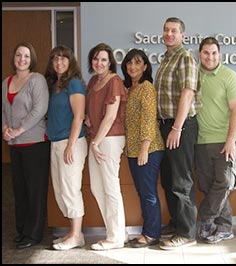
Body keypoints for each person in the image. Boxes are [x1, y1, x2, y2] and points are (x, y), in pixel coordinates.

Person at [154, 17, 201, 250]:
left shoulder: (185, 58)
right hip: (166, 125)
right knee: (169, 177)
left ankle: (187, 233)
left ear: (183, 35)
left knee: (181, 180)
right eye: (166, 30)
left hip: (181, 126)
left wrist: (176, 128)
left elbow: (187, 94)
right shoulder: (165, 59)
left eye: (174, 30)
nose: (169, 33)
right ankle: (176, 223)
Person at [195, 37, 236, 243]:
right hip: (201, 140)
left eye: (214, 53)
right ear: (200, 54)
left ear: (220, 54)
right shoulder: (194, 75)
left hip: (226, 139)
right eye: (206, 53)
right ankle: (223, 227)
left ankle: (205, 218)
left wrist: (231, 140)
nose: (210, 57)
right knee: (207, 185)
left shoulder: (230, 77)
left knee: (224, 182)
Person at [2, 42, 50, 249]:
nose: (22, 59)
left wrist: (19, 129)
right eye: (19, 55)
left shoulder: (36, 80)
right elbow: (3, 110)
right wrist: (4, 128)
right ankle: (22, 230)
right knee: (19, 189)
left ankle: (34, 233)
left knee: (35, 190)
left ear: (32, 60)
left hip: (34, 143)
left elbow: (40, 109)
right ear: (14, 58)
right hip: (14, 144)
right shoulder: (6, 82)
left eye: (27, 56)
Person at [44, 45, 87, 250]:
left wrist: (70, 145)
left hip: (72, 143)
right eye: (55, 59)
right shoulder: (55, 85)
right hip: (56, 142)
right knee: (61, 190)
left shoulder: (75, 84)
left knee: (70, 188)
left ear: (71, 62)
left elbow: (78, 116)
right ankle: (72, 232)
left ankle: (76, 234)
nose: (59, 62)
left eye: (63, 58)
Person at [85, 43, 127, 250]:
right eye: (95, 59)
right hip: (96, 139)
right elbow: (89, 109)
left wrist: (95, 142)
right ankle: (117, 230)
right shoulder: (93, 81)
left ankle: (115, 237)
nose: (98, 63)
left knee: (110, 187)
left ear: (110, 62)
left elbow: (110, 117)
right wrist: (87, 118)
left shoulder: (115, 81)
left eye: (103, 59)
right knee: (96, 187)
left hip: (109, 139)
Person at [121, 49, 165, 248]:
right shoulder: (129, 89)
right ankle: (148, 230)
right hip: (132, 149)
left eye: (137, 62)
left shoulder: (147, 87)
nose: (132, 66)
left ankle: (151, 234)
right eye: (129, 62)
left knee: (148, 192)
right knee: (142, 191)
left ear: (145, 66)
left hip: (149, 148)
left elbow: (148, 118)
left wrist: (144, 148)